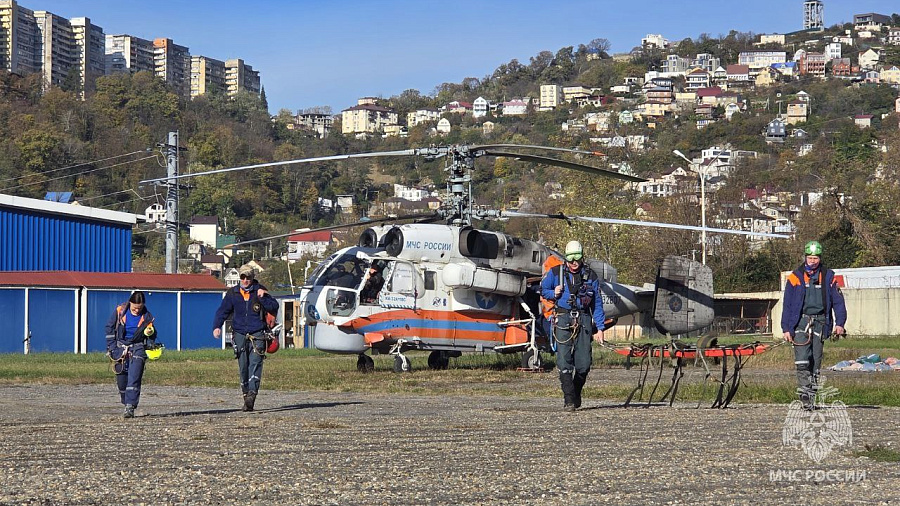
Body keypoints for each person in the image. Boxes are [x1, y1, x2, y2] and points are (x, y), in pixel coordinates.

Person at [781, 240, 847, 410]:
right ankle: (805, 395)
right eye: (810, 258)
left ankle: (811, 396)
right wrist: (786, 328)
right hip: (800, 323)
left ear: (820, 258)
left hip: (820, 323)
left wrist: (840, 323)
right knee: (802, 360)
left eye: (815, 258)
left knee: (815, 363)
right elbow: (787, 304)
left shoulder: (829, 277)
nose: (812, 261)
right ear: (805, 257)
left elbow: (838, 302)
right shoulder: (795, 277)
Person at [541, 240, 605, 412]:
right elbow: (542, 290)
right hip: (562, 318)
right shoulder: (555, 272)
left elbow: (597, 303)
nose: (574, 262)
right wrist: (552, 293)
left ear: (582, 257)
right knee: (564, 361)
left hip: (584, 319)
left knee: (584, 364)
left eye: (577, 258)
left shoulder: (591, 276)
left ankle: (576, 392)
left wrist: (600, 328)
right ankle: (569, 399)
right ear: (566, 258)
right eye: (570, 259)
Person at [213, 265, 279, 412]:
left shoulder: (260, 290)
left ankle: (252, 395)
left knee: (255, 364)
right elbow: (223, 311)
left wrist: (263, 297)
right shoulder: (233, 293)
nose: (245, 280)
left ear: (252, 277)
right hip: (240, 334)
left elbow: (274, 306)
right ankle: (245, 395)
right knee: (243, 367)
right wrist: (217, 326)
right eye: (243, 277)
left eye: (248, 277)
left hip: (257, 334)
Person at [105, 291, 157, 419]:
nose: (137, 310)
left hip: (138, 348)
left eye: (139, 308)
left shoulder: (148, 317)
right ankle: (125, 401)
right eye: (134, 308)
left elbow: (153, 336)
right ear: (130, 304)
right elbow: (109, 328)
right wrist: (112, 347)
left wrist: (151, 333)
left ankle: (130, 406)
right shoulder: (119, 311)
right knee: (121, 380)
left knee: (134, 377)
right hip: (119, 348)